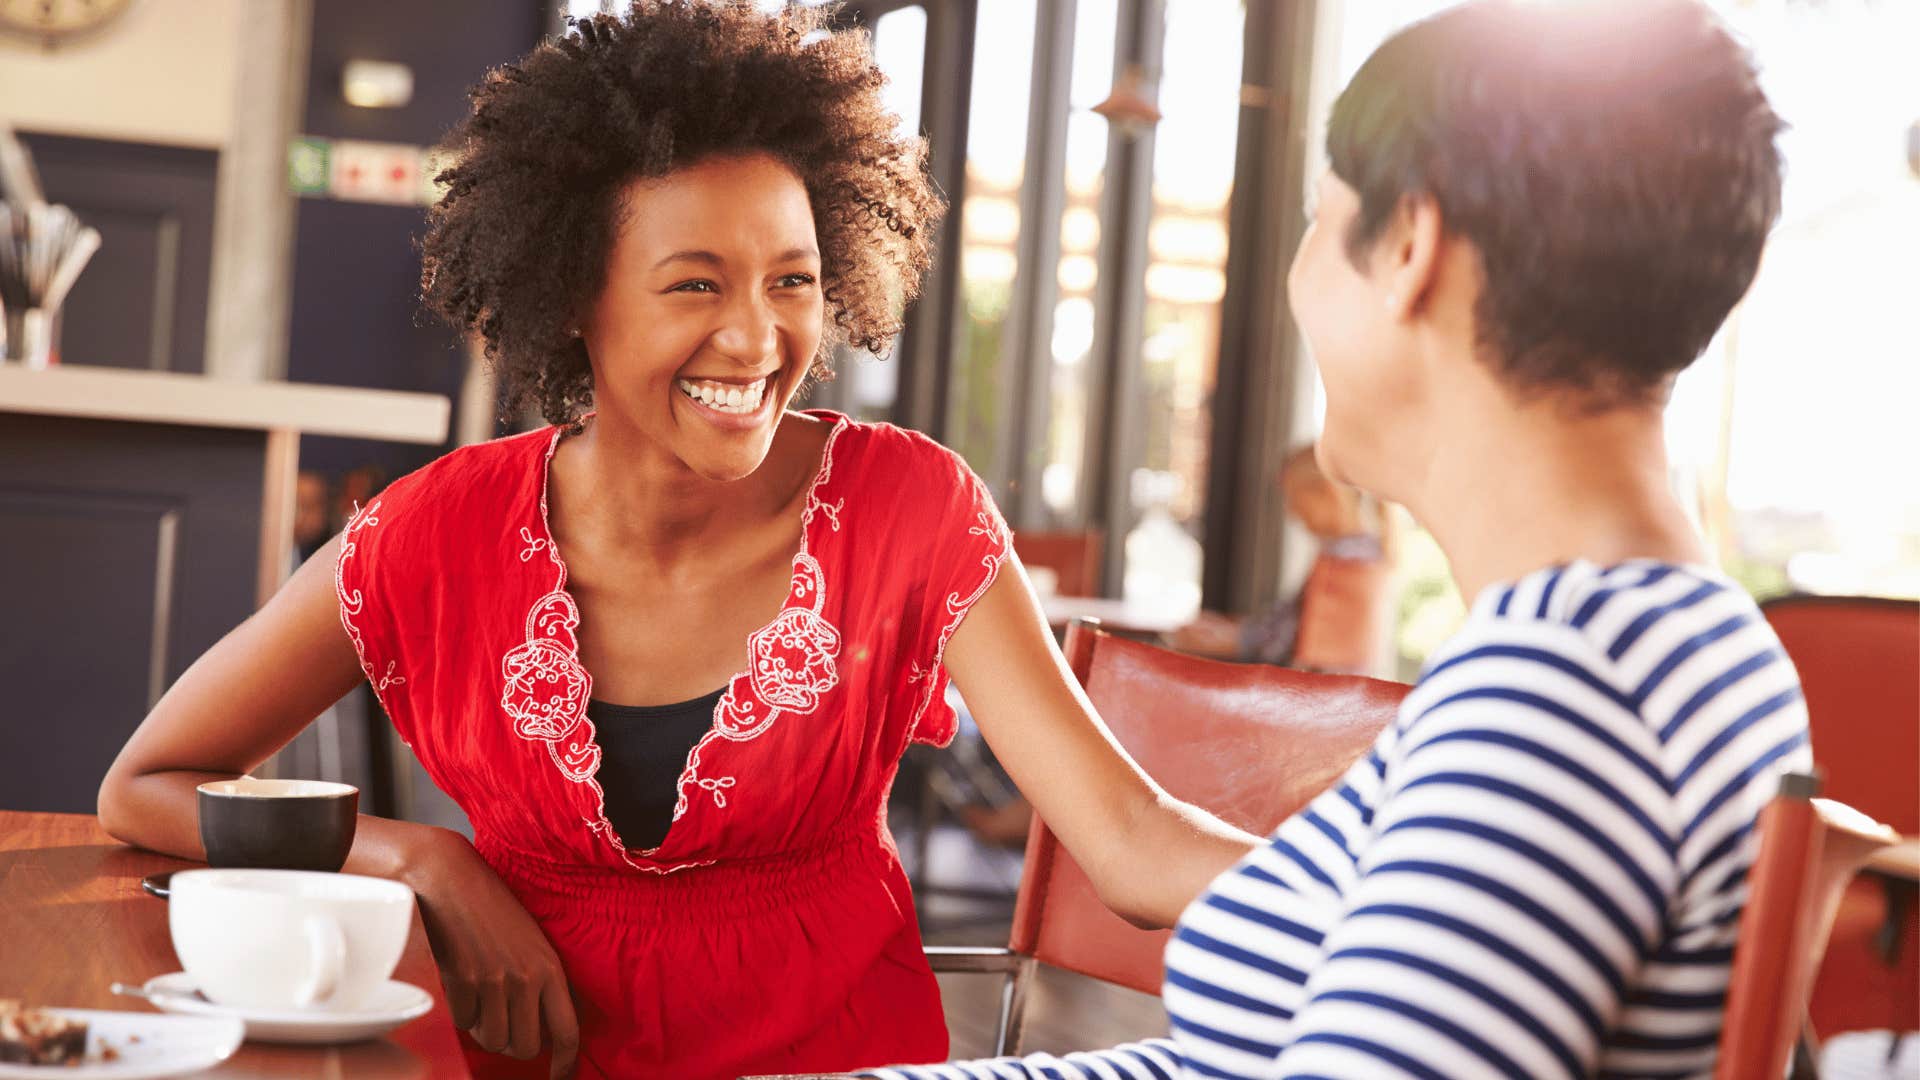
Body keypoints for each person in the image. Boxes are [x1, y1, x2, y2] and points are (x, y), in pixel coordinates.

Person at [94, 5, 1256, 1079]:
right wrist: (424, 861)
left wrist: (1396, 883)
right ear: (570, 300)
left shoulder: (915, 508)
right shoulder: (430, 533)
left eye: (791, 280)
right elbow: (146, 783)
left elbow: (1133, 841)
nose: (755, 339)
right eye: (694, 284)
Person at [868, 1, 1808, 1076]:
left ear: (1410, 243)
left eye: (1318, 218)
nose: (1299, 275)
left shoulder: (1564, 691)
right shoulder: (1666, 639)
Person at [1172, 443, 1398, 676]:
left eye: (1294, 498)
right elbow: (1292, 621)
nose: (1292, 511)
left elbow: (1294, 638)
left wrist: (1232, 640)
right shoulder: (1359, 553)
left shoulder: (1348, 561)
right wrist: (1233, 630)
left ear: (1326, 493)